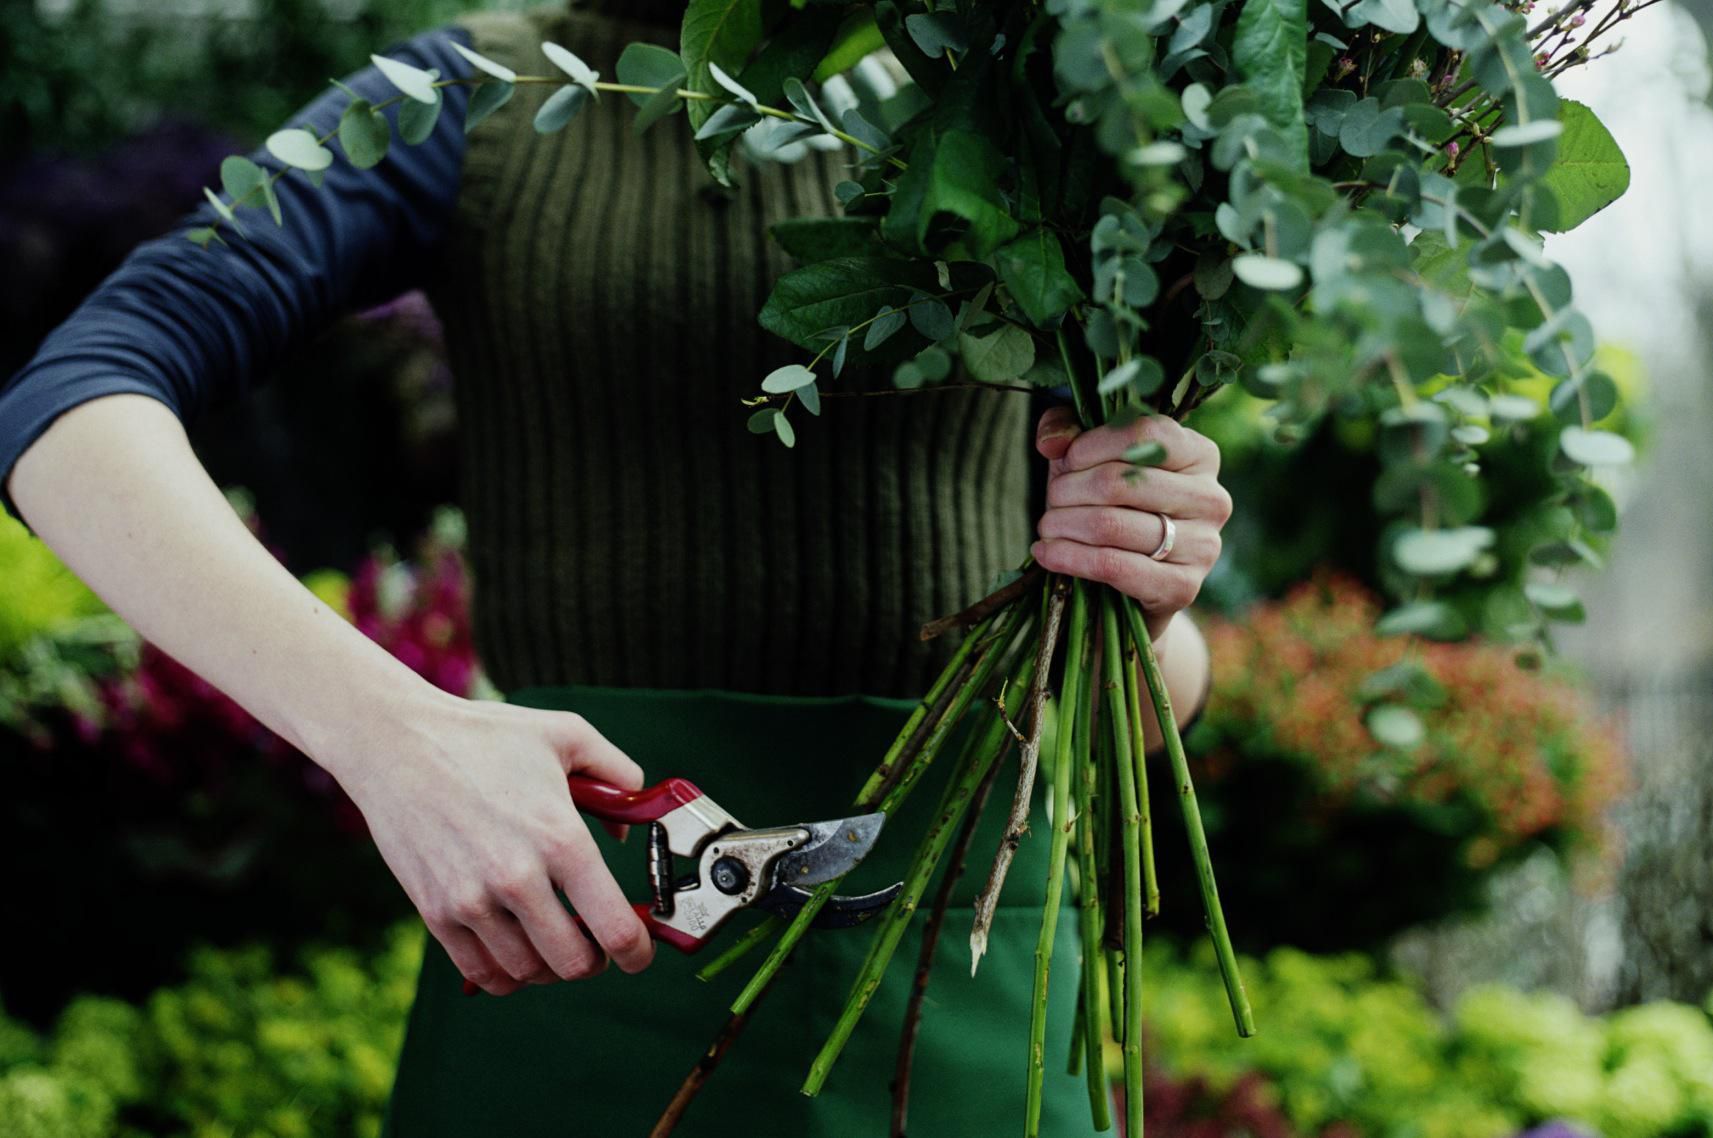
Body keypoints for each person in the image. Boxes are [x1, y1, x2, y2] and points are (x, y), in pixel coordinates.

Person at [0, 0, 1232, 1132]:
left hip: (965, 987)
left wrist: (1140, 574)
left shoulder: (1040, 119)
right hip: (585, 956)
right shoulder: (472, 93)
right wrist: (393, 736)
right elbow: (68, 407)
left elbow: (1143, 688)